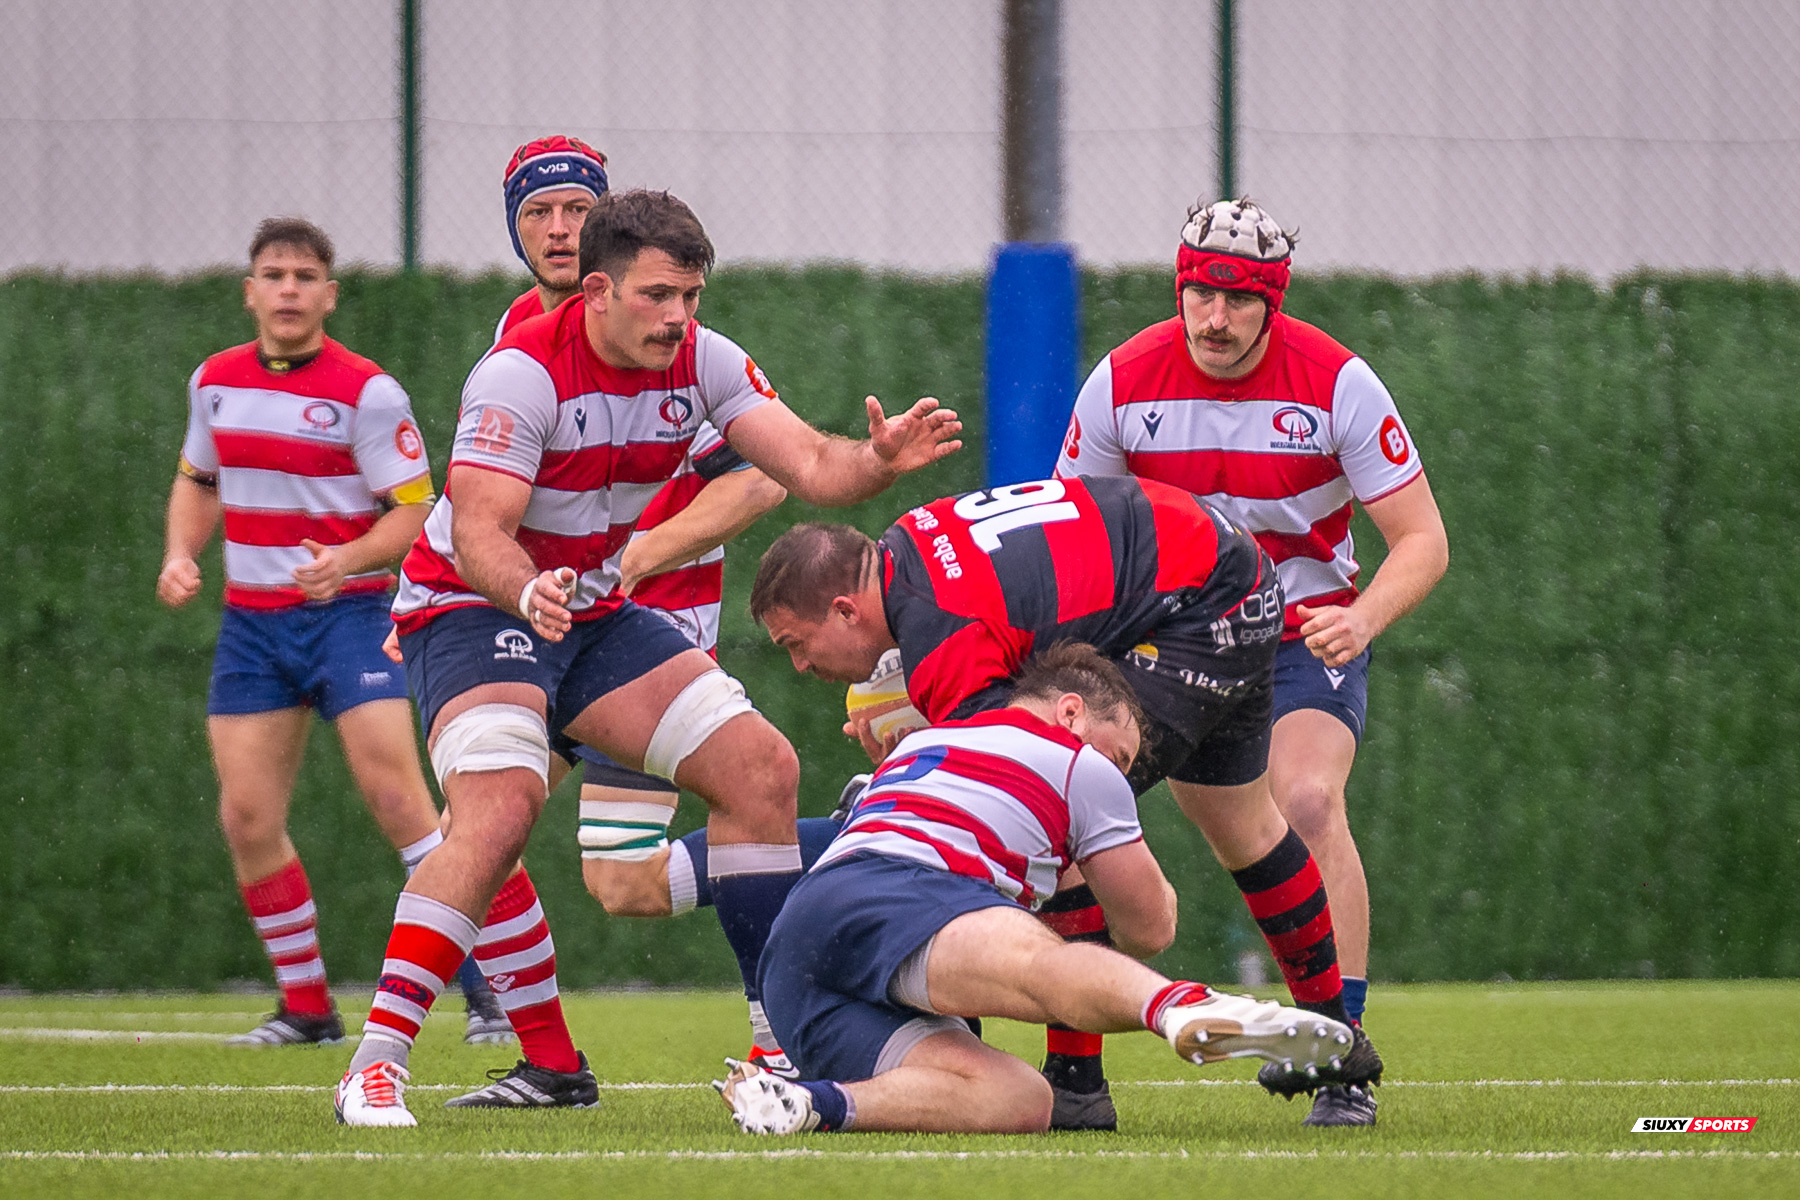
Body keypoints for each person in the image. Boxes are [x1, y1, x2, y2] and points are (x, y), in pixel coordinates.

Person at [332, 188, 962, 1127]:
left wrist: (877, 460)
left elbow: (810, 470)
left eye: (693, 297)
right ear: (598, 290)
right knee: (501, 810)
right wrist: (526, 590)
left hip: (591, 607)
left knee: (762, 770)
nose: (680, 317)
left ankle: (776, 1040)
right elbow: (478, 531)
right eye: (661, 296)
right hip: (472, 603)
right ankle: (376, 1064)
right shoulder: (520, 374)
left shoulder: (704, 360)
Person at [749, 474, 1381, 1129]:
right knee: (1247, 829)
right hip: (1231, 572)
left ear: (847, 611)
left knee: (1046, 808)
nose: (801, 667)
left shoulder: (942, 642)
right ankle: (1336, 1038)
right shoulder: (907, 543)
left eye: (797, 644)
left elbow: (1007, 788)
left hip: (1199, 603)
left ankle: (1077, 1084)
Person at [1052, 197, 1449, 1126]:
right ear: (1179, 289)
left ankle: (1340, 1056)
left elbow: (1422, 539)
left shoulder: (1339, 383)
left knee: (1307, 801)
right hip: (1170, 648)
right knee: (1062, 802)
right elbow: (1074, 535)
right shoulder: (1122, 382)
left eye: (1235, 300)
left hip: (1305, 636)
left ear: (1272, 303)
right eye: (1199, 295)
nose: (1214, 319)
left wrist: (1364, 618)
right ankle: (1073, 1083)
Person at [715, 643, 1354, 1135]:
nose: (1120, 775)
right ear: (1071, 712)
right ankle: (1182, 1008)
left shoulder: (929, 738)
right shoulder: (1078, 764)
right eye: (1122, 757)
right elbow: (1148, 928)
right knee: (1041, 966)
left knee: (1021, 1098)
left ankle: (805, 1105)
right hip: (907, 889)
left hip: (797, 960)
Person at [495, 135, 795, 1071]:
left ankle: (787, 993)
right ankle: (543, 1061)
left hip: (644, 641)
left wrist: (641, 553)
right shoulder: (516, 341)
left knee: (611, 876)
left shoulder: (676, 344)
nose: (558, 228)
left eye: (577, 210)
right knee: (497, 837)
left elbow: (760, 481)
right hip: (539, 628)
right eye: (537, 212)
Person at [157, 217, 463, 1046]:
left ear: (328, 295)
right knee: (248, 820)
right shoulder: (214, 383)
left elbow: (417, 514)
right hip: (253, 631)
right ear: (249, 291)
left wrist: (348, 558)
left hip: (353, 618)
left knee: (403, 802)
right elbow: (197, 482)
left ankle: (493, 993)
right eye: (273, 274)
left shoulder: (368, 392)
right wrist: (180, 554)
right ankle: (307, 1009)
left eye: (303, 276)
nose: (288, 289)